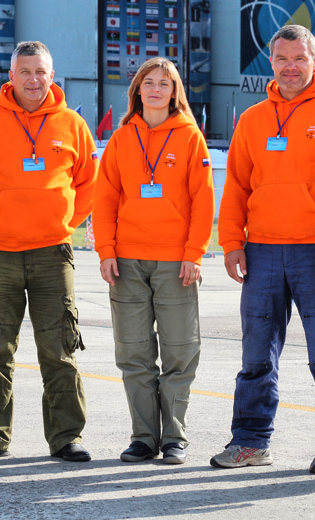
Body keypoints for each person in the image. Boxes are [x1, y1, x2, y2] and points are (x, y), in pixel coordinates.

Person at [210, 25, 315, 474]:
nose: (290, 67)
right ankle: (250, 442)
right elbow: (236, 186)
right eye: (282, 59)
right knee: (256, 356)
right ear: (271, 63)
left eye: (299, 58)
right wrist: (232, 242)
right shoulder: (253, 119)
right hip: (261, 251)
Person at [0, 41, 98, 463]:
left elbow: (89, 184)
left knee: (59, 349)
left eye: (40, 72)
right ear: (11, 76)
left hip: (53, 254)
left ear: (52, 76)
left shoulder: (72, 124)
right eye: (25, 72)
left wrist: (65, 223)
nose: (33, 80)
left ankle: (67, 437)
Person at [93, 58, 214, 465]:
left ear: (175, 91)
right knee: (134, 353)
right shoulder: (121, 138)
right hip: (127, 262)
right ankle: (143, 437)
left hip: (175, 262)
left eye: (165, 82)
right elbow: (104, 200)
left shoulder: (190, 137)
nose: (156, 89)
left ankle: (175, 437)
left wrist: (194, 253)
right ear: (138, 91)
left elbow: (203, 201)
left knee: (180, 350)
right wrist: (106, 251)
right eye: (149, 82)